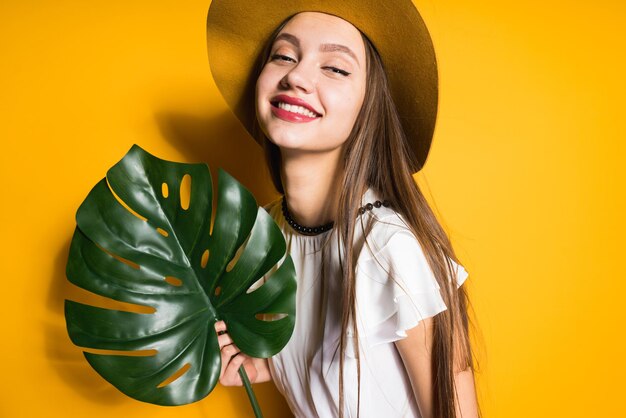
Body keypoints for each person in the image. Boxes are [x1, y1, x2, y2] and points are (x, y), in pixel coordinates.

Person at [207, 1, 481, 417]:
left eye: (335, 67)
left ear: (368, 106)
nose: (296, 76)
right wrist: (262, 364)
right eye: (283, 55)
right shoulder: (267, 234)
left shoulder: (389, 245)